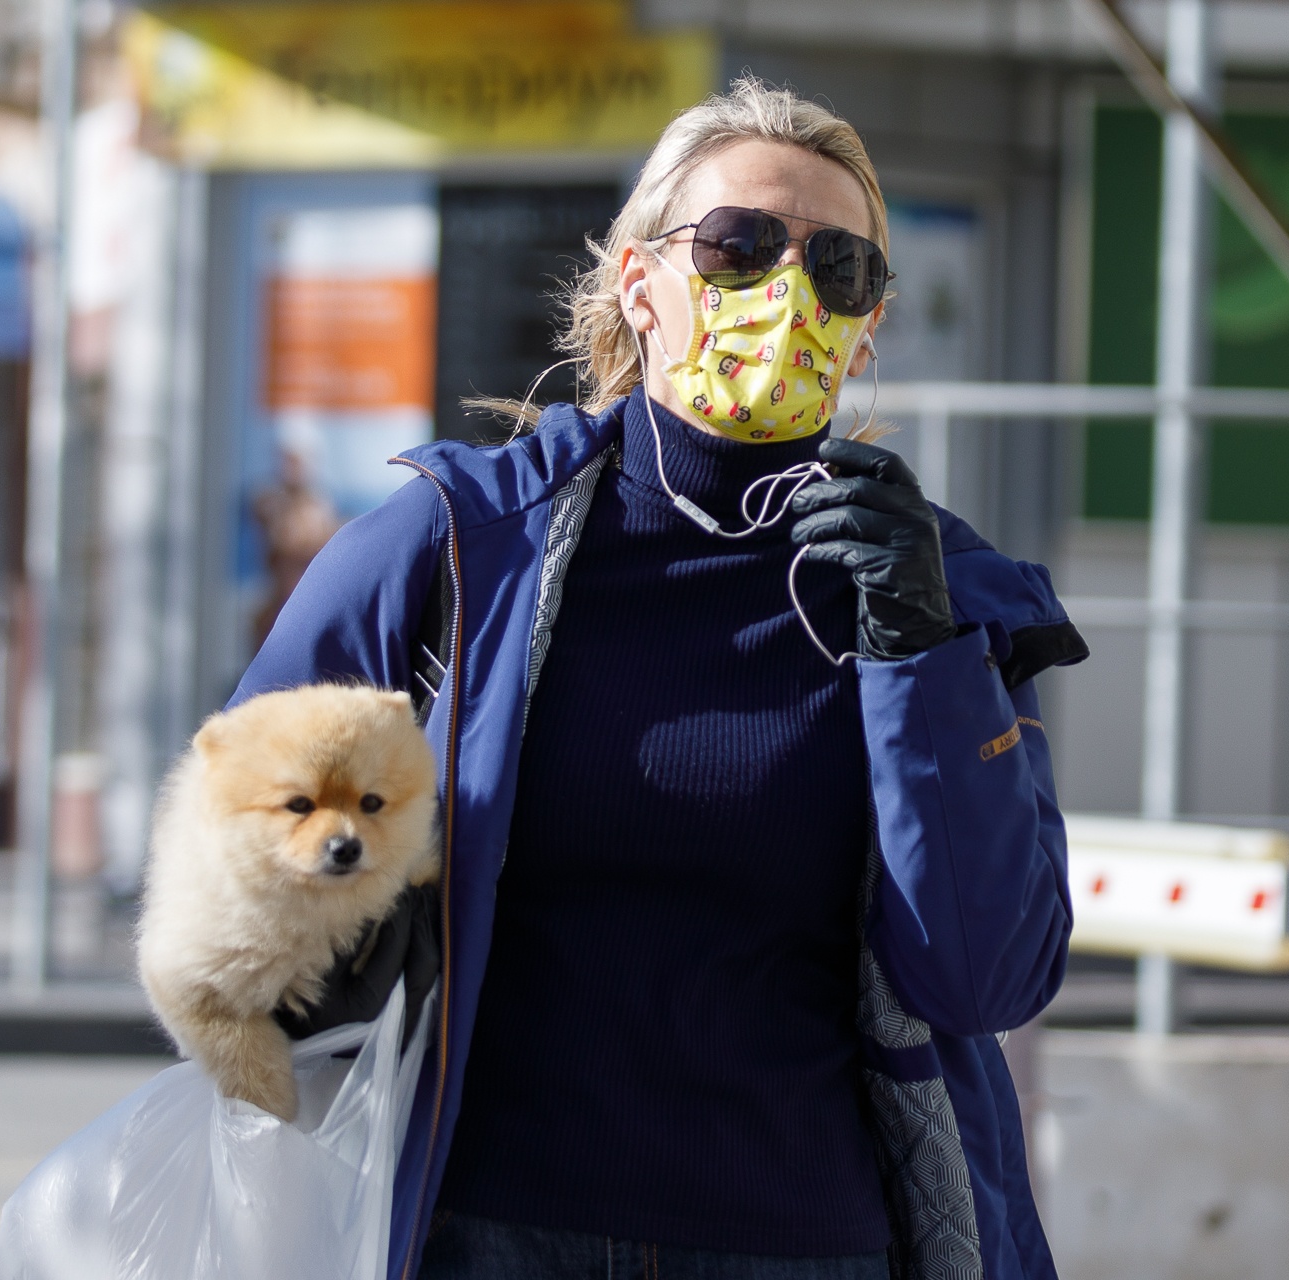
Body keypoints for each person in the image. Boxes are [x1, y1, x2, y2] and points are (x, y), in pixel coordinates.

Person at [232, 77, 1087, 1280]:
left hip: (807, 1243)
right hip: (482, 1234)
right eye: (740, 247)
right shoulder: (458, 549)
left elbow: (986, 972)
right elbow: (226, 872)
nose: (786, 292)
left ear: (869, 322)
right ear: (641, 283)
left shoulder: (942, 591)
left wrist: (920, 651)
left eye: (837, 267)